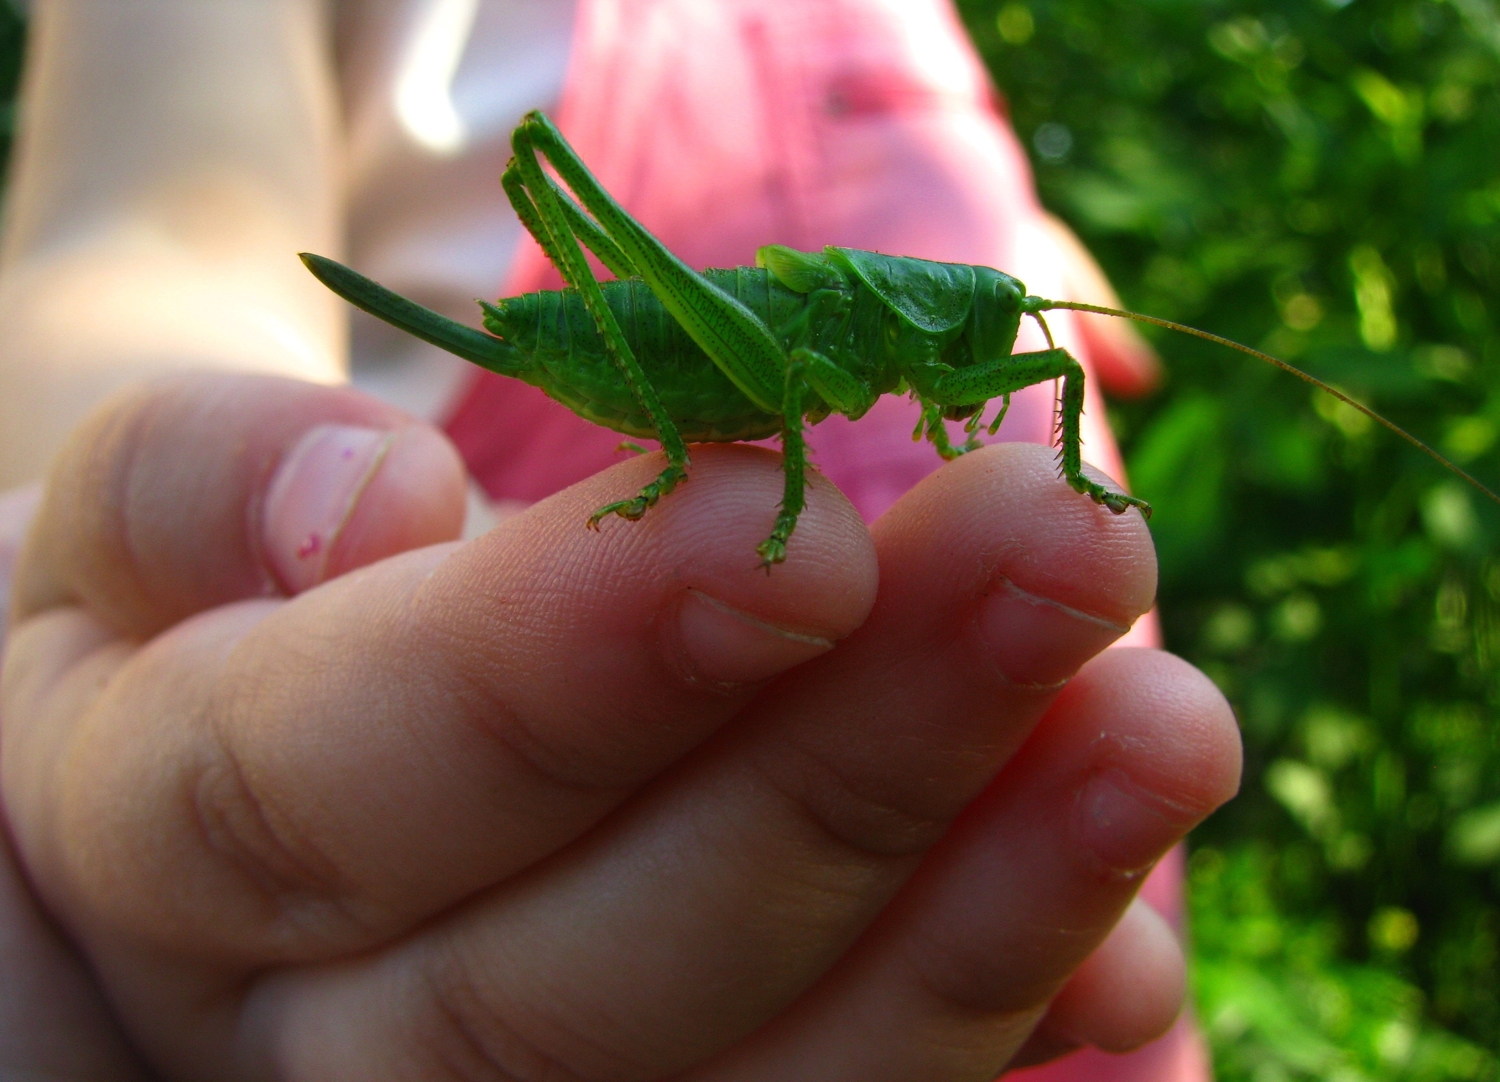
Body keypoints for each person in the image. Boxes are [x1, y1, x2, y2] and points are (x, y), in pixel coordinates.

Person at [0, 1, 1241, 1078]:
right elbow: (146, 233)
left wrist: (1012, 241)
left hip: (1029, 905)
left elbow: (941, 261)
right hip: (659, 460)